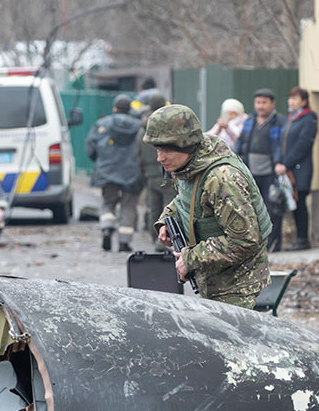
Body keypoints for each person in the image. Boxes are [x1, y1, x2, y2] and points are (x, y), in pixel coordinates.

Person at [147, 104, 271, 308]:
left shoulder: (222, 179)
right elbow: (187, 200)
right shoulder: (190, 165)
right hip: (214, 279)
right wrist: (167, 220)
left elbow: (244, 241)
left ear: (185, 144)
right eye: (158, 149)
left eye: (166, 149)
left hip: (237, 286)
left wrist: (190, 259)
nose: (160, 158)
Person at [86, 94, 142, 252]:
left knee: (108, 202)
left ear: (115, 108)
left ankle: (107, 227)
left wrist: (99, 162)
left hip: (108, 170)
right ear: (129, 109)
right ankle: (124, 242)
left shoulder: (102, 124)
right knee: (128, 206)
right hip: (132, 172)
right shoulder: (139, 127)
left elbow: (91, 147)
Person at [234, 88, 287, 252]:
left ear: (272, 103)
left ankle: (274, 244)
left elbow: (282, 146)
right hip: (251, 172)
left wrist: (279, 162)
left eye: (264, 102)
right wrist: (236, 158)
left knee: (272, 209)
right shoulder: (250, 120)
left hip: (270, 173)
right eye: (258, 102)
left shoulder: (280, 122)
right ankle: (256, 244)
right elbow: (241, 141)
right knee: (251, 208)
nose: (260, 106)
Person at [279, 87, 318, 251]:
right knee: (293, 203)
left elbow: (303, 144)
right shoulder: (292, 118)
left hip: (300, 169)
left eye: (295, 98)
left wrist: (286, 163)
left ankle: (303, 239)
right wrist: (280, 162)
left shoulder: (309, 119)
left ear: (304, 101)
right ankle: (298, 238)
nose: (291, 101)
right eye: (290, 98)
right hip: (288, 169)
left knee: (300, 202)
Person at [135, 92, 175, 246]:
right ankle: (165, 242)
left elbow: (139, 154)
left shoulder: (143, 128)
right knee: (170, 208)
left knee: (153, 208)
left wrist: (144, 172)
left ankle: (155, 240)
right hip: (168, 174)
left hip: (150, 174)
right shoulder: (169, 126)